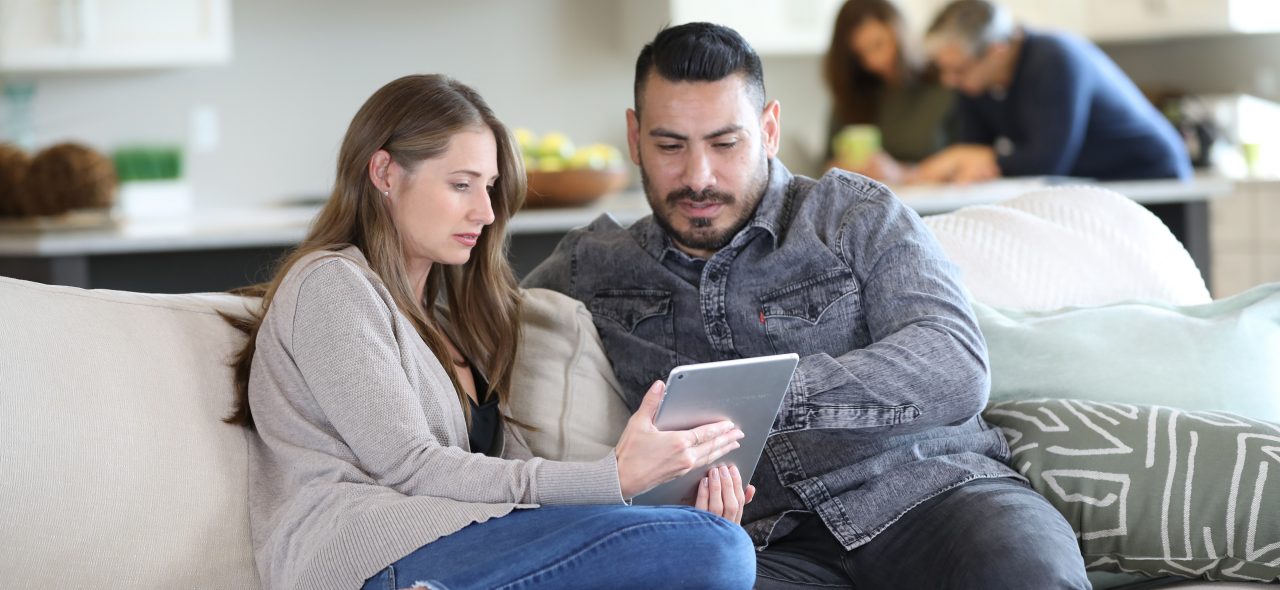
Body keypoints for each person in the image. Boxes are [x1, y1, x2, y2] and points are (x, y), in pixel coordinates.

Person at [523, 23, 1090, 589]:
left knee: (1028, 573)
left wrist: (766, 398)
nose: (698, 177)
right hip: (761, 546)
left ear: (769, 129)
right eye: (670, 146)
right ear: (634, 136)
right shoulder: (590, 265)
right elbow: (471, 344)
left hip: (936, 496)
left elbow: (955, 364)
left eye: (725, 144)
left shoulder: (853, 215)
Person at [222, 74, 758, 590]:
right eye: (461, 185)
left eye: (490, 188)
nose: (484, 212)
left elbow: (507, 476)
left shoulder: (448, 320)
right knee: (718, 551)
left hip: (463, 542)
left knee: (710, 537)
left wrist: (653, 497)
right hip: (371, 557)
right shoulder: (331, 285)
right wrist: (612, 477)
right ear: (384, 172)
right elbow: (411, 467)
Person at [915, 0, 1191, 183]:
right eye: (944, 70)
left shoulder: (1054, 59)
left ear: (996, 51)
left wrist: (979, 158)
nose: (949, 81)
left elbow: (1046, 161)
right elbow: (971, 151)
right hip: (1094, 187)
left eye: (959, 70)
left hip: (1150, 178)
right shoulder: (974, 84)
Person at [823, 0, 954, 182]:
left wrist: (903, 173)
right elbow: (826, 161)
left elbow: (969, 157)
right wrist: (842, 168)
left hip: (937, 198)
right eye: (859, 55)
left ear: (899, 33)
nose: (873, 62)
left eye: (878, 44)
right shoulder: (854, 94)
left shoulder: (948, 81)